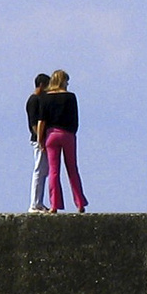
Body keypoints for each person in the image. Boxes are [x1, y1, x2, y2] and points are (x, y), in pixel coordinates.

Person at [34, 69, 88, 213]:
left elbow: (41, 121)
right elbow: (75, 119)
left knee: (53, 171)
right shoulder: (71, 97)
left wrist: (40, 139)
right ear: (63, 81)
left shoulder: (45, 98)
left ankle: (54, 205)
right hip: (67, 135)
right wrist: (72, 133)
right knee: (72, 168)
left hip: (51, 135)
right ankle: (79, 202)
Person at [25, 73, 50, 212]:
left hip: (40, 139)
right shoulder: (34, 100)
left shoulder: (38, 100)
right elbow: (34, 123)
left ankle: (39, 202)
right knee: (39, 171)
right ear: (41, 85)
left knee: (44, 171)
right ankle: (35, 204)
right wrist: (40, 138)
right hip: (38, 140)